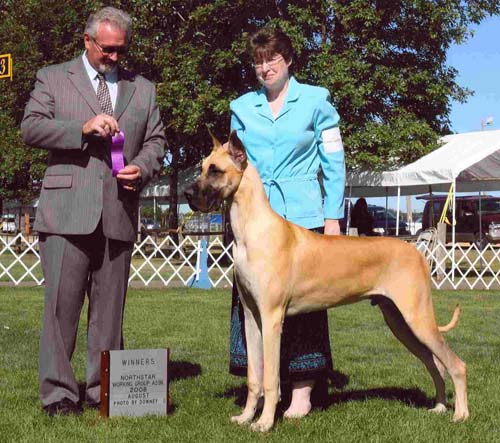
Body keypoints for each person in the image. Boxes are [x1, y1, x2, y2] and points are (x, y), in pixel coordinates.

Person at [21, 7, 166, 416]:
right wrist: (80, 129)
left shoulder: (143, 89)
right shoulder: (53, 77)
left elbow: (156, 141)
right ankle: (58, 394)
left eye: (121, 50)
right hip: (66, 214)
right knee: (60, 311)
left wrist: (143, 168)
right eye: (107, 49)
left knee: (109, 315)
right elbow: (31, 127)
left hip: (118, 212)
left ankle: (107, 391)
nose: (115, 57)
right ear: (87, 41)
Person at [228, 27, 345, 418]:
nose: (265, 68)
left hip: (303, 215)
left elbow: (334, 161)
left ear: (289, 60)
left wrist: (332, 216)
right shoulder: (242, 107)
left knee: (307, 304)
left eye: (272, 59)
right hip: (255, 220)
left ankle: (302, 391)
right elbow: (233, 163)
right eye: (258, 61)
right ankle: (260, 389)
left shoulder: (316, 101)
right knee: (254, 306)